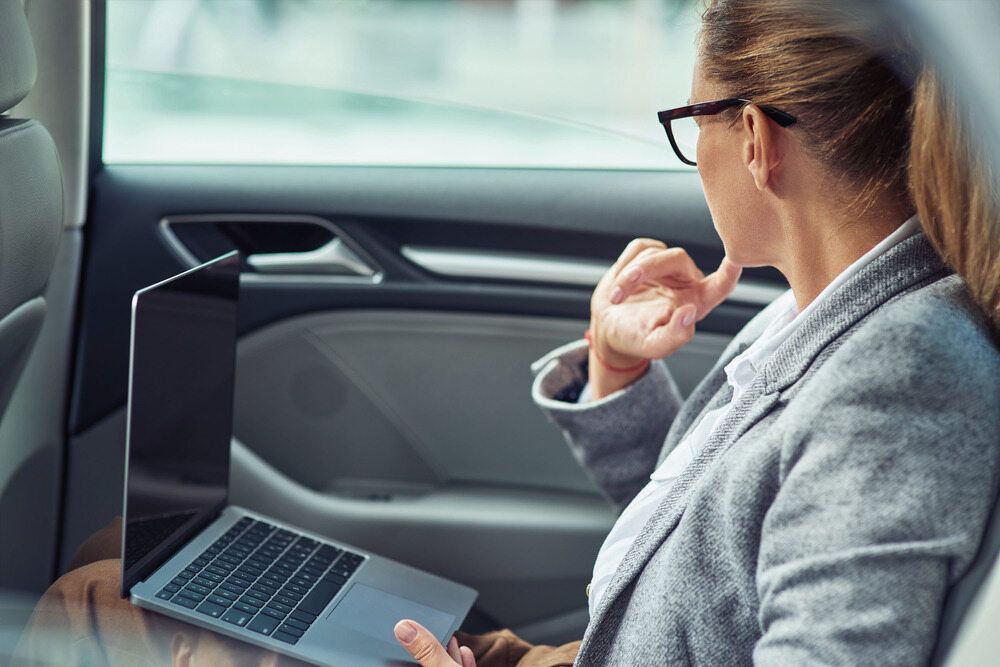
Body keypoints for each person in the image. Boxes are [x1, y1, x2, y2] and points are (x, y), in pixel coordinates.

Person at [14, 0, 1000, 665]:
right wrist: (614, 370)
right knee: (131, 555)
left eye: (688, 118)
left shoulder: (900, 382)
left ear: (755, 138)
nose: (690, 151)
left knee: (98, 609)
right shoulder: (824, 306)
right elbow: (725, 535)